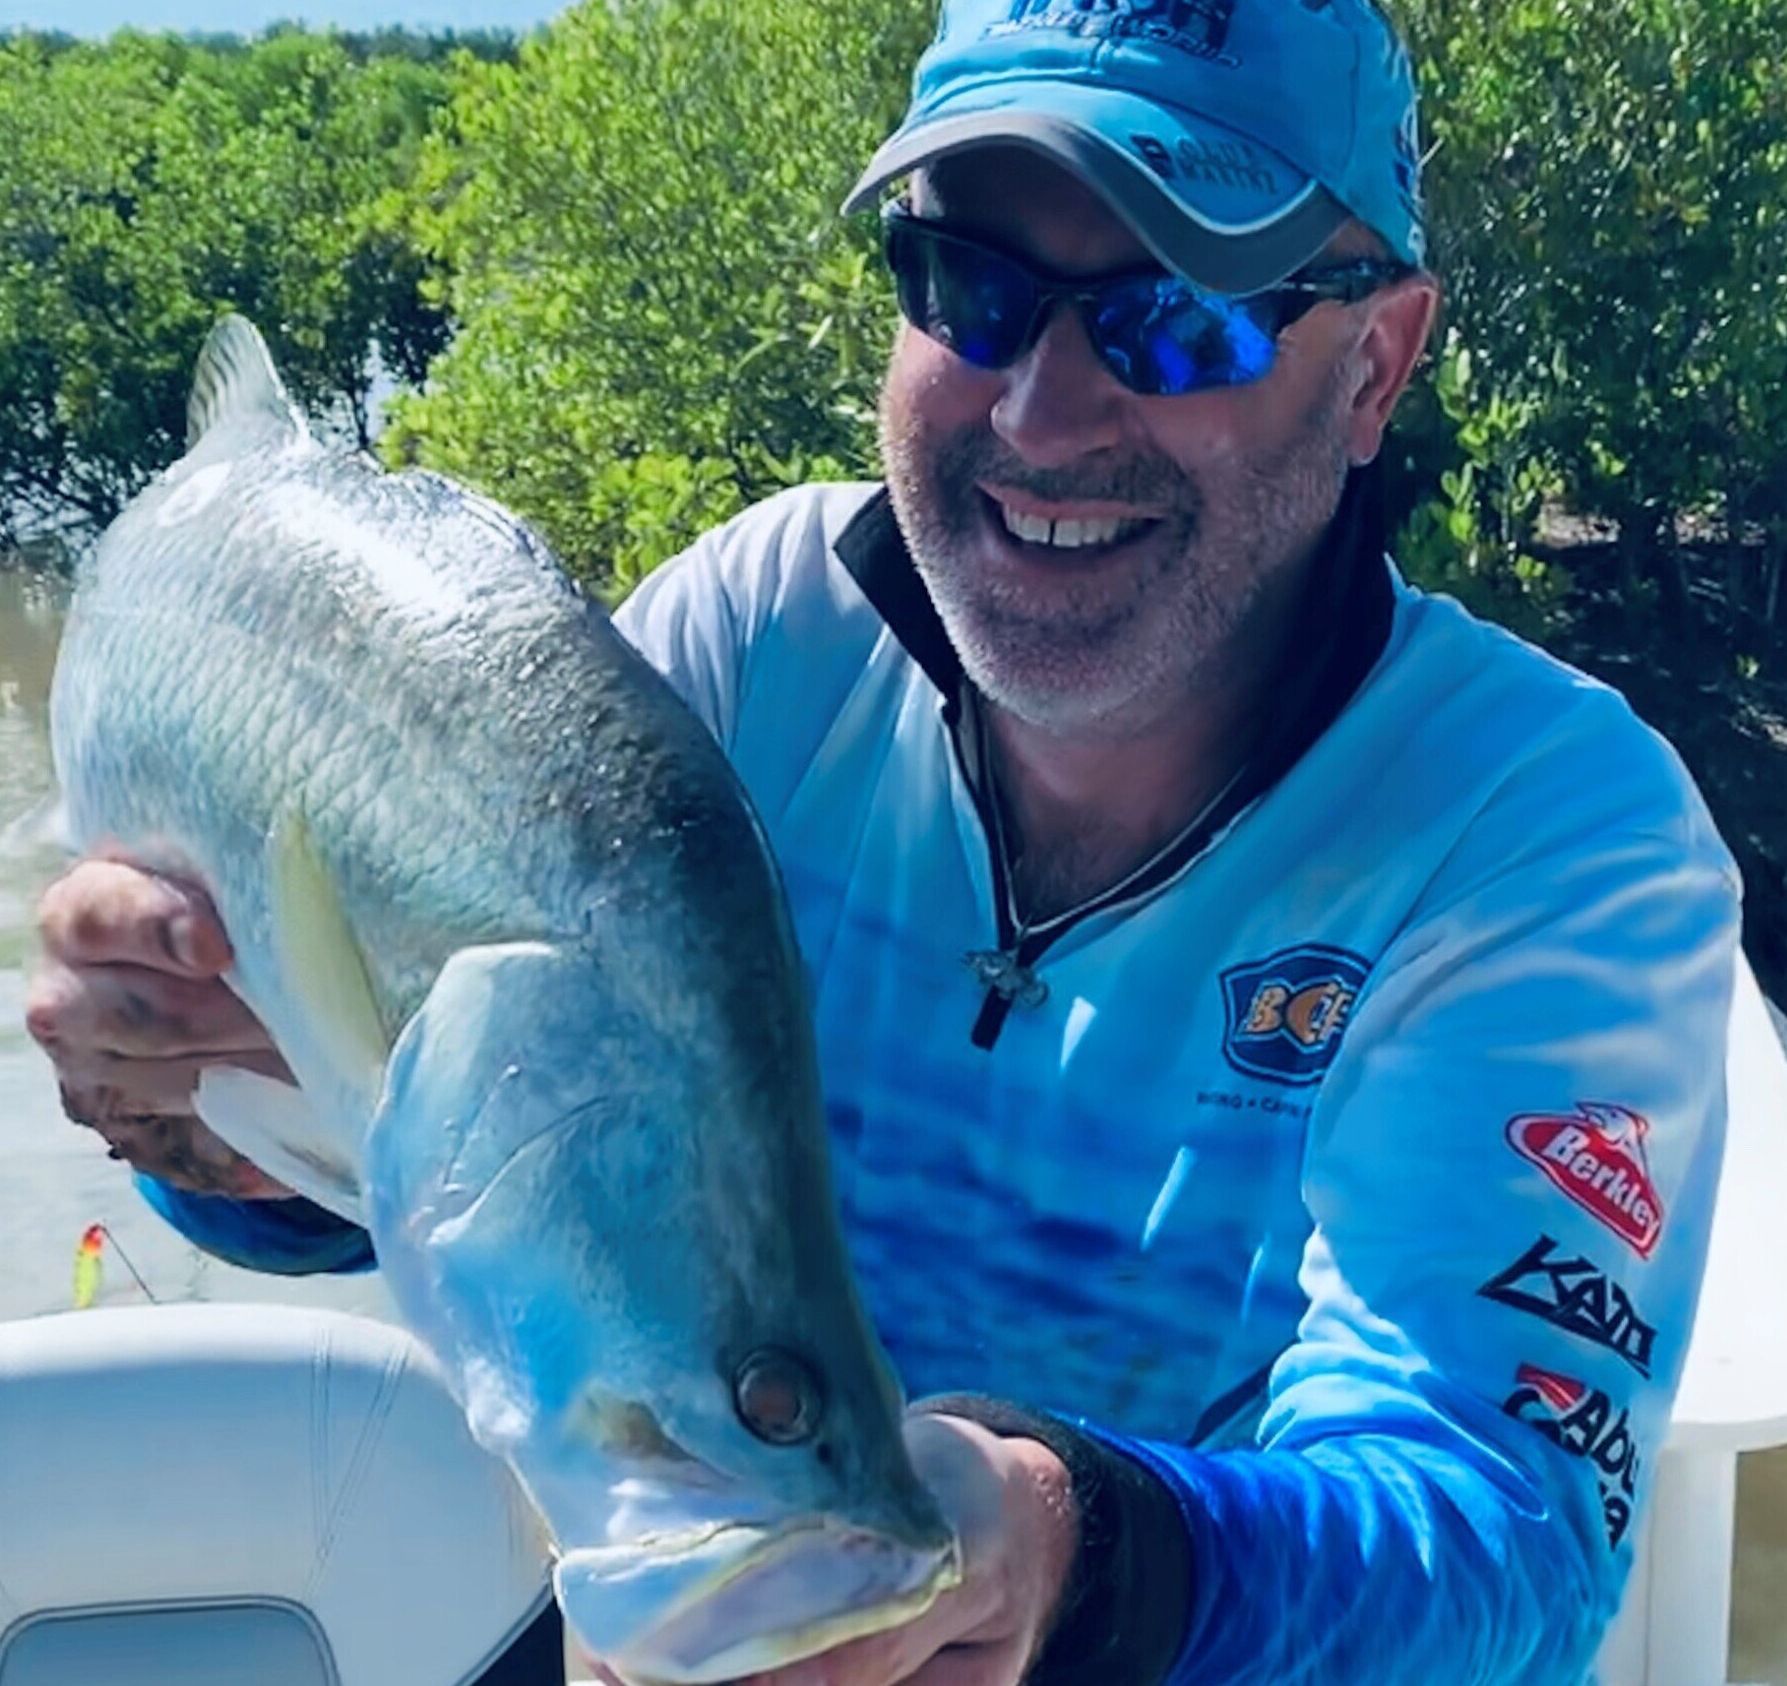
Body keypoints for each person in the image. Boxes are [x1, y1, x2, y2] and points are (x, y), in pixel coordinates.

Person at [27, 1, 1740, 1681]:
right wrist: (221, 1126)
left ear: (1376, 362)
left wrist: (1067, 1558)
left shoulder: (1545, 834)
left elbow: (1497, 1539)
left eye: (1179, 313)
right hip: (706, 1614)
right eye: (971, 288)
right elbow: (463, 1168)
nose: (1046, 412)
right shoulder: (760, 641)